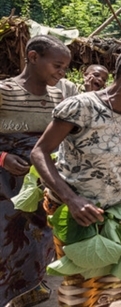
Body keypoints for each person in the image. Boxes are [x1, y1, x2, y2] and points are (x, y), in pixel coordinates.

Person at [30, 45, 121, 306]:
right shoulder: (80, 106)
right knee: (81, 292)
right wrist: (71, 199)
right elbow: (39, 153)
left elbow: (115, 153)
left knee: (107, 289)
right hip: (78, 215)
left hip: (115, 213)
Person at [0, 35, 71, 307]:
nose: (62, 73)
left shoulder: (59, 95)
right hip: (6, 185)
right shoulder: (5, 91)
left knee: (40, 238)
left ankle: (30, 287)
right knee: (8, 240)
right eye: (57, 66)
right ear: (33, 57)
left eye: (65, 68)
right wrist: (3, 157)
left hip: (44, 181)